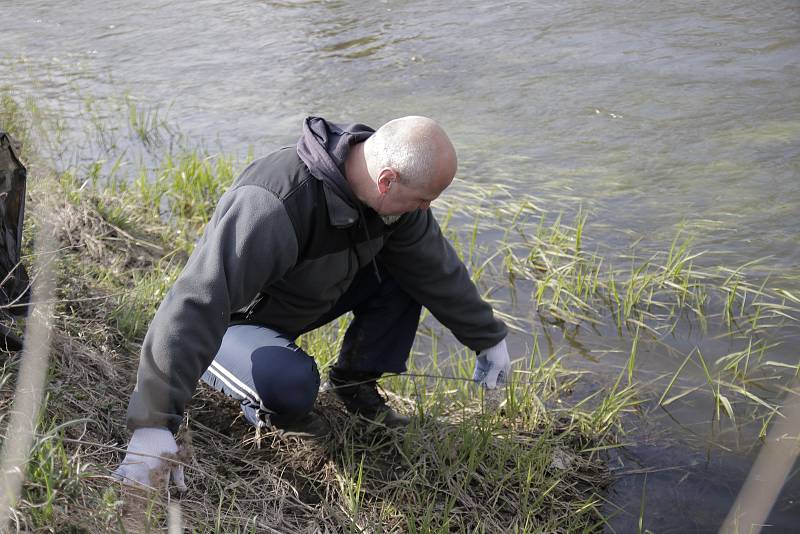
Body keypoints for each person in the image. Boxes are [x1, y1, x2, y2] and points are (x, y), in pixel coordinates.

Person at [113, 116, 511, 489]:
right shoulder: (272, 204)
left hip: (300, 302)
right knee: (292, 384)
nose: (426, 209)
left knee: (407, 274)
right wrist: (154, 425)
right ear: (387, 180)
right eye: (423, 200)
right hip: (231, 323)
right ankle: (274, 408)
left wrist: (488, 339)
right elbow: (197, 301)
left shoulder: (389, 198)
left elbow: (435, 268)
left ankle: (354, 387)